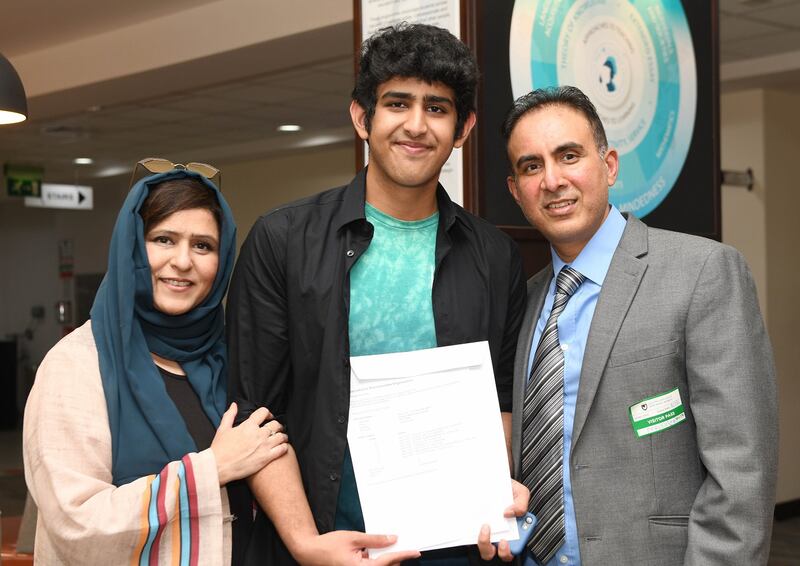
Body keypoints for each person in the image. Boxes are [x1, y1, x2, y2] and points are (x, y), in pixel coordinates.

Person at [227, 23, 528, 565]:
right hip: (322, 546)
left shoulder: (495, 256)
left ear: (464, 128)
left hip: (453, 547)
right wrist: (306, 543)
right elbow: (256, 415)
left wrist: (497, 487)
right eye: (397, 103)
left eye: (437, 108)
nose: (416, 125)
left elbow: (500, 402)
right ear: (362, 117)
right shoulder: (282, 240)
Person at [503, 86, 778, 565]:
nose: (552, 180)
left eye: (569, 156)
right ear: (515, 190)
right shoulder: (522, 302)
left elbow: (741, 475)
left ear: (608, 165)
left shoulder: (702, 272)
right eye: (531, 165)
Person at [23, 159, 288, 565]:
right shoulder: (77, 365)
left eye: (203, 245)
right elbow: (76, 522)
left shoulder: (236, 357)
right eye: (163, 239)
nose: (183, 261)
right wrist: (210, 469)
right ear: (131, 246)